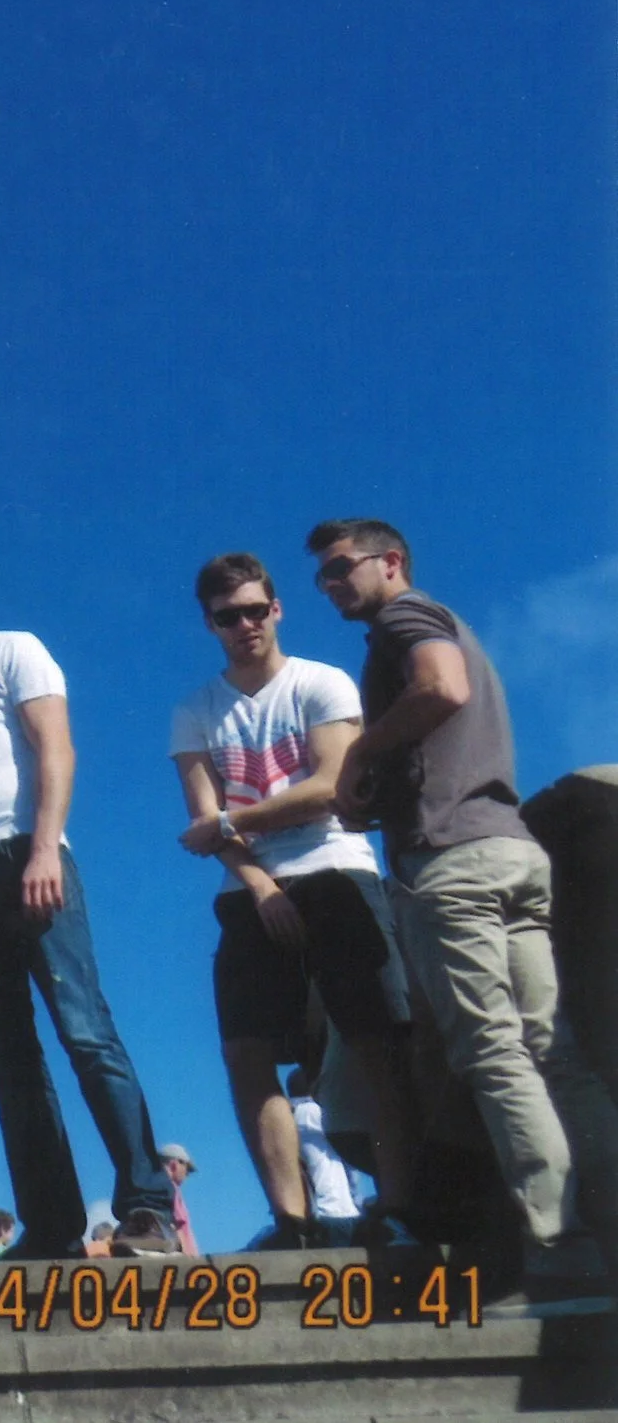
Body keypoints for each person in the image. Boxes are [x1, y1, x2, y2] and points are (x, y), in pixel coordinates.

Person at [309, 518, 618, 1298]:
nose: (332, 584)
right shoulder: (447, 621)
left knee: (493, 1052)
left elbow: (443, 686)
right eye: (323, 575)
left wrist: (361, 751)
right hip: (511, 850)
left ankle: (559, 1242)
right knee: (553, 1052)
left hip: (453, 864)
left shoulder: (404, 618)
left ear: (391, 561)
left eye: (342, 567)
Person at [0, 539, 179, 1259]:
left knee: (85, 1033)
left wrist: (44, 847)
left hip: (24, 853)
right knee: (10, 1068)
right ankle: (52, 1225)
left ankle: (148, 1207)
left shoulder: (15, 650)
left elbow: (56, 747)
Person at [169, 552, 417, 1247]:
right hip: (250, 886)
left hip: (337, 869)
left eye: (256, 610)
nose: (245, 624)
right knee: (246, 1052)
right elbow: (201, 818)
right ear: (211, 624)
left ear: (276, 609)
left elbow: (331, 785)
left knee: (376, 1040)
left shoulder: (320, 681)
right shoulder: (195, 710)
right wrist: (261, 884)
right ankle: (292, 1219)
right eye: (229, 616)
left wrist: (229, 821)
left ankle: (401, 1206)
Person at [288, 1068, 362, 1246]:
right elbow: (350, 1162)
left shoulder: (291, 1118)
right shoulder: (312, 1112)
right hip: (336, 1211)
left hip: (316, 1214)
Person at [158, 1145, 203, 1256]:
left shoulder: (150, 1189)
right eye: (187, 1170)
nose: (186, 1175)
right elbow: (178, 1227)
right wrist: (189, 1259)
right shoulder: (171, 1189)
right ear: (175, 1165)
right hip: (179, 1258)